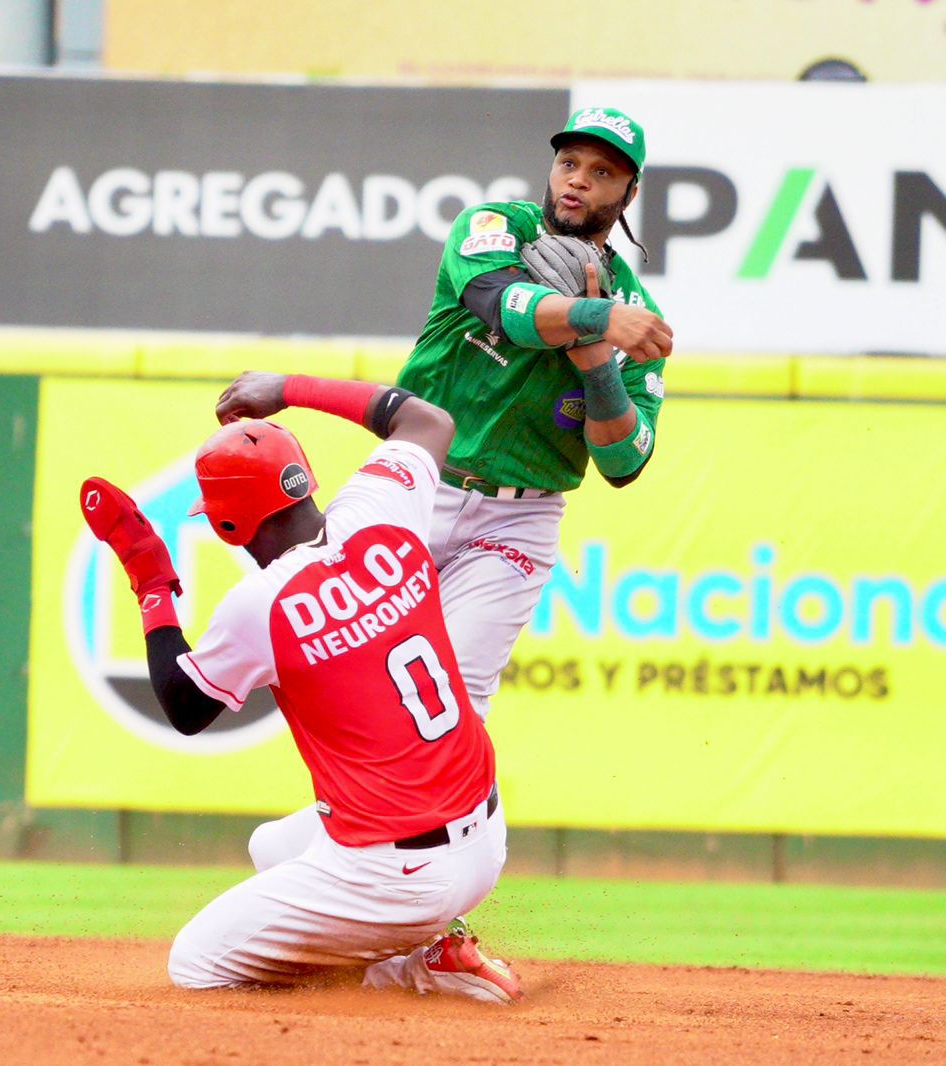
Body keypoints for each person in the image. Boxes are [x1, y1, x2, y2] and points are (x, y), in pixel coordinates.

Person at [80, 371, 522, 1004]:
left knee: (194, 964)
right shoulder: (380, 510)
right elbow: (430, 422)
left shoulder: (262, 602)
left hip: (395, 875)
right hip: (485, 838)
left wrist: (152, 581)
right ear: (304, 482)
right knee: (273, 846)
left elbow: (183, 706)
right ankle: (440, 939)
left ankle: (417, 966)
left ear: (231, 527)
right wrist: (286, 387)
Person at [393, 105, 673, 720]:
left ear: (629, 192)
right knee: (349, 673)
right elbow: (503, 305)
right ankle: (338, 818)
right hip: (416, 484)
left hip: (518, 520)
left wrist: (597, 360)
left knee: (451, 703)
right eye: (568, 162)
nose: (577, 179)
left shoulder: (634, 305)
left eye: (601, 172)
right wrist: (598, 320)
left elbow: (624, 462)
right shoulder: (493, 223)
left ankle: (452, 820)